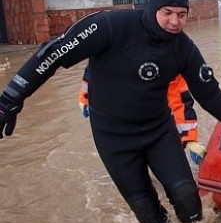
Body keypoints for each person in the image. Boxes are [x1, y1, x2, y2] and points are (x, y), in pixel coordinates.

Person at [0, 0, 221, 223]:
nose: (174, 22)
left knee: (186, 194)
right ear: (153, 8)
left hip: (158, 130)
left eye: (182, 15)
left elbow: (208, 93)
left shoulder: (183, 48)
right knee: (150, 216)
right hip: (113, 137)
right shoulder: (109, 26)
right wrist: (10, 99)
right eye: (167, 13)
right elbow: (51, 56)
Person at [78, 67, 207, 165]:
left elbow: (179, 100)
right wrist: (85, 97)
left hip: (151, 118)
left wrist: (189, 139)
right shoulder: (114, 41)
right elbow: (95, 68)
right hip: (118, 117)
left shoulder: (168, 55)